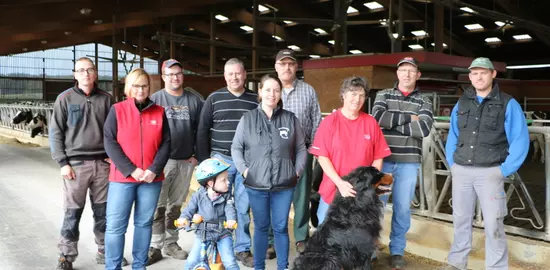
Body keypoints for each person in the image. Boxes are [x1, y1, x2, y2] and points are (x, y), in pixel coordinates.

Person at [441, 57, 529, 270]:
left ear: (493, 74)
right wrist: (452, 163)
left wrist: (504, 170)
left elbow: (520, 139)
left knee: (493, 224)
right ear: (470, 76)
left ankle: (496, 267)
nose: (478, 77)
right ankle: (456, 262)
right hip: (461, 170)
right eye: (474, 73)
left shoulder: (508, 103)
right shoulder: (462, 102)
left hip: (490, 172)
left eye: (483, 72)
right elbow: (453, 134)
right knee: (460, 220)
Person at [49, 57, 128, 270]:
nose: (85, 74)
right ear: (75, 74)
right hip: (75, 166)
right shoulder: (64, 99)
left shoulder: (107, 99)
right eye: (81, 70)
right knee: (72, 212)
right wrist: (63, 162)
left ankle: (105, 251)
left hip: (102, 164)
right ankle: (66, 255)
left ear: (95, 73)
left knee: (103, 212)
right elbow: (55, 133)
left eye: (90, 70)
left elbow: (116, 131)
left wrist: (114, 157)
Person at [232, 74, 307, 270]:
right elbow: (236, 148)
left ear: (280, 93)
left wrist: (296, 171)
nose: (272, 94)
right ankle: (259, 267)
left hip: (284, 185)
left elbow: (301, 148)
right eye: (268, 90)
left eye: (276, 90)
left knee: (281, 227)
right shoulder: (247, 119)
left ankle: (282, 267)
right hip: (256, 185)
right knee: (261, 227)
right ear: (260, 92)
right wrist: (245, 171)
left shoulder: (290, 119)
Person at [103, 68, 171, 269]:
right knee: (116, 227)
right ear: (128, 88)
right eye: (136, 85)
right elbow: (109, 141)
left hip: (151, 180)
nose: (140, 90)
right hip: (122, 179)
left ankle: (140, 265)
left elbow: (166, 143)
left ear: (149, 88)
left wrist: (154, 169)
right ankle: (112, 266)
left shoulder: (159, 112)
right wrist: (131, 169)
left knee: (144, 224)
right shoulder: (117, 110)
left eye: (144, 86)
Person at [371, 57, 434, 269]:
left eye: (411, 71)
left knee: (402, 208)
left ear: (418, 75)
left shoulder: (425, 101)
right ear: (397, 74)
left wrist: (394, 121)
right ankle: (370, 247)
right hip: (384, 162)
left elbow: (424, 129)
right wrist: (409, 118)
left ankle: (397, 250)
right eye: (403, 70)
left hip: (408, 163)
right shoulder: (383, 95)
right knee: (376, 207)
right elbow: (378, 118)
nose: (407, 74)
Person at [196, 58, 258, 267]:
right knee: (216, 205)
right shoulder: (214, 99)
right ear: (224, 76)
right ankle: (214, 245)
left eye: (238, 73)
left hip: (245, 162)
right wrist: (206, 163)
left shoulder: (255, 100)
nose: (234, 77)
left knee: (242, 206)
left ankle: (242, 248)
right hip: (220, 160)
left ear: (245, 74)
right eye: (230, 74)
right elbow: (202, 131)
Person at [310, 76, 392, 224]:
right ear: (343, 95)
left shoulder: (370, 123)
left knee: (359, 237)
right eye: (353, 94)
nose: (357, 99)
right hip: (333, 192)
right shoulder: (329, 122)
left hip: (362, 195)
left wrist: (369, 184)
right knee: (327, 237)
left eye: (362, 95)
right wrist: (340, 183)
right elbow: (322, 157)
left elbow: (378, 156)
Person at [148, 59, 203, 264]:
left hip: (185, 161)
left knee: (176, 206)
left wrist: (197, 155)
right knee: (158, 206)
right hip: (162, 162)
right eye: (170, 74)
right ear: (163, 77)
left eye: (178, 73)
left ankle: (171, 242)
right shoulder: (155, 100)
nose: (175, 77)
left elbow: (201, 130)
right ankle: (155, 245)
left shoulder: (194, 100)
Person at [273, 49, 322, 254]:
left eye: (290, 64)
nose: (287, 67)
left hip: (302, 150)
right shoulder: (270, 89)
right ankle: (275, 235)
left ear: (296, 66)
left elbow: (317, 120)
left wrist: (314, 149)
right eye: (282, 64)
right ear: (276, 67)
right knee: (275, 194)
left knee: (301, 195)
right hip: (275, 153)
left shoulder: (308, 90)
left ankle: (301, 237)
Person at [176, 158, 239, 270]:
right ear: (210, 183)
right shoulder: (198, 195)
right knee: (191, 262)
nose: (228, 182)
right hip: (203, 234)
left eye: (227, 179)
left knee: (230, 262)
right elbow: (189, 210)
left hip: (222, 233)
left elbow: (230, 209)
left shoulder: (227, 195)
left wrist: (231, 220)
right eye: (223, 180)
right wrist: (183, 218)